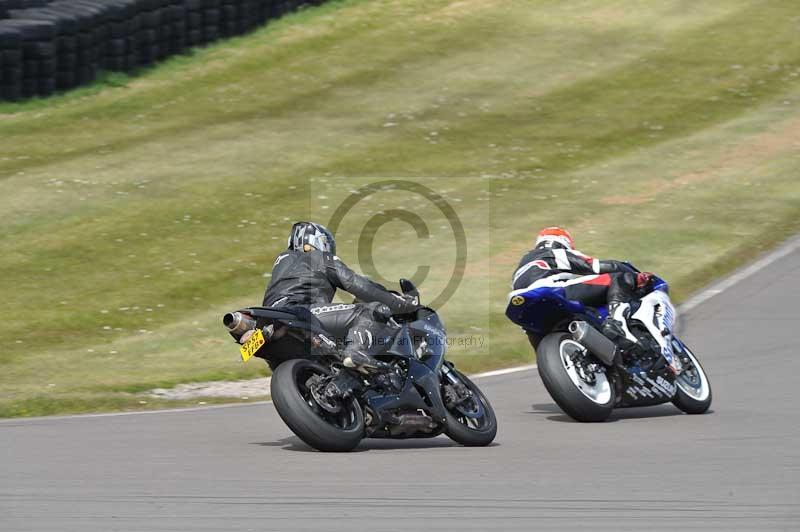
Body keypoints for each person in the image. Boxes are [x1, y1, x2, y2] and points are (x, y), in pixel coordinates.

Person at [263, 221, 419, 371]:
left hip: (268, 324)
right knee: (371, 310)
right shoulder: (318, 257)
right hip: (300, 313)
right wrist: (401, 303)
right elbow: (358, 285)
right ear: (316, 241)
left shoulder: (281, 267)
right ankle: (356, 351)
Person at [509, 227, 653, 350]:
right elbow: (599, 267)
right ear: (564, 242)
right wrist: (633, 274)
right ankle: (617, 324)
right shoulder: (555, 252)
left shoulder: (519, 269)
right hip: (553, 291)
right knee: (619, 278)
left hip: (526, 313)